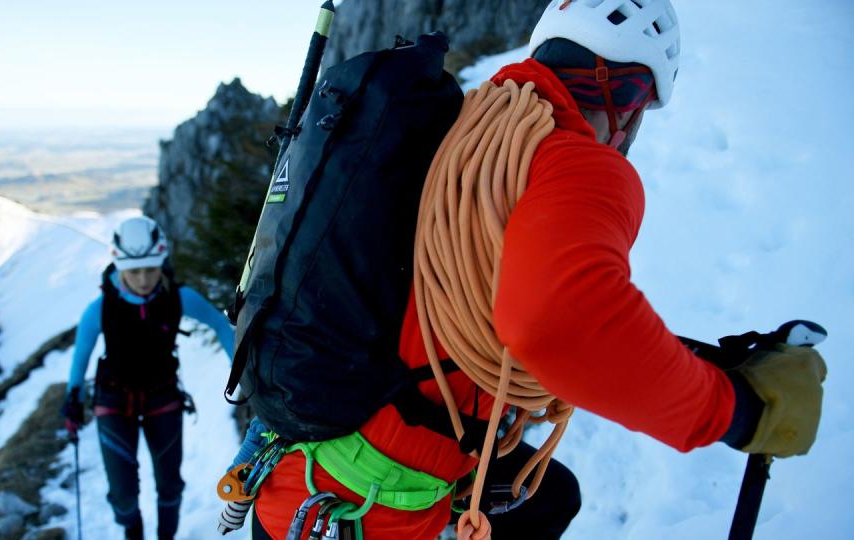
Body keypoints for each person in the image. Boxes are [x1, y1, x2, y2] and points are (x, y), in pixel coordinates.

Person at [247, 1, 827, 538]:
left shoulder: (462, 128)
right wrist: (741, 412)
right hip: (372, 507)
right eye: (639, 108)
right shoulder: (578, 163)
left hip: (300, 471)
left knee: (553, 497)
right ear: (628, 101)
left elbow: (512, 297)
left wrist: (712, 363)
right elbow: (560, 324)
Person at [60, 216, 235, 540]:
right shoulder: (100, 308)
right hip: (114, 399)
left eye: (151, 269)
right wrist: (74, 398)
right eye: (134, 270)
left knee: (170, 485)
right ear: (118, 264)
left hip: (162, 395)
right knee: (124, 494)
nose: (143, 279)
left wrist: (239, 371)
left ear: (161, 262)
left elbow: (221, 325)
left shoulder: (180, 297)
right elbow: (81, 355)